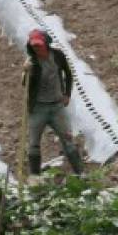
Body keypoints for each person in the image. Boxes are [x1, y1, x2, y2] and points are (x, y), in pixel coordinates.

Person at [23, 29, 84, 175]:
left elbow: (68, 74)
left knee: (68, 140)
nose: (37, 48)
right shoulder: (31, 63)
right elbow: (25, 85)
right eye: (34, 46)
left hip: (57, 107)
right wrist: (26, 73)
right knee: (33, 144)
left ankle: (81, 174)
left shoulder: (57, 56)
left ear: (46, 44)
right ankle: (35, 179)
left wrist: (67, 94)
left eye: (39, 45)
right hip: (38, 108)